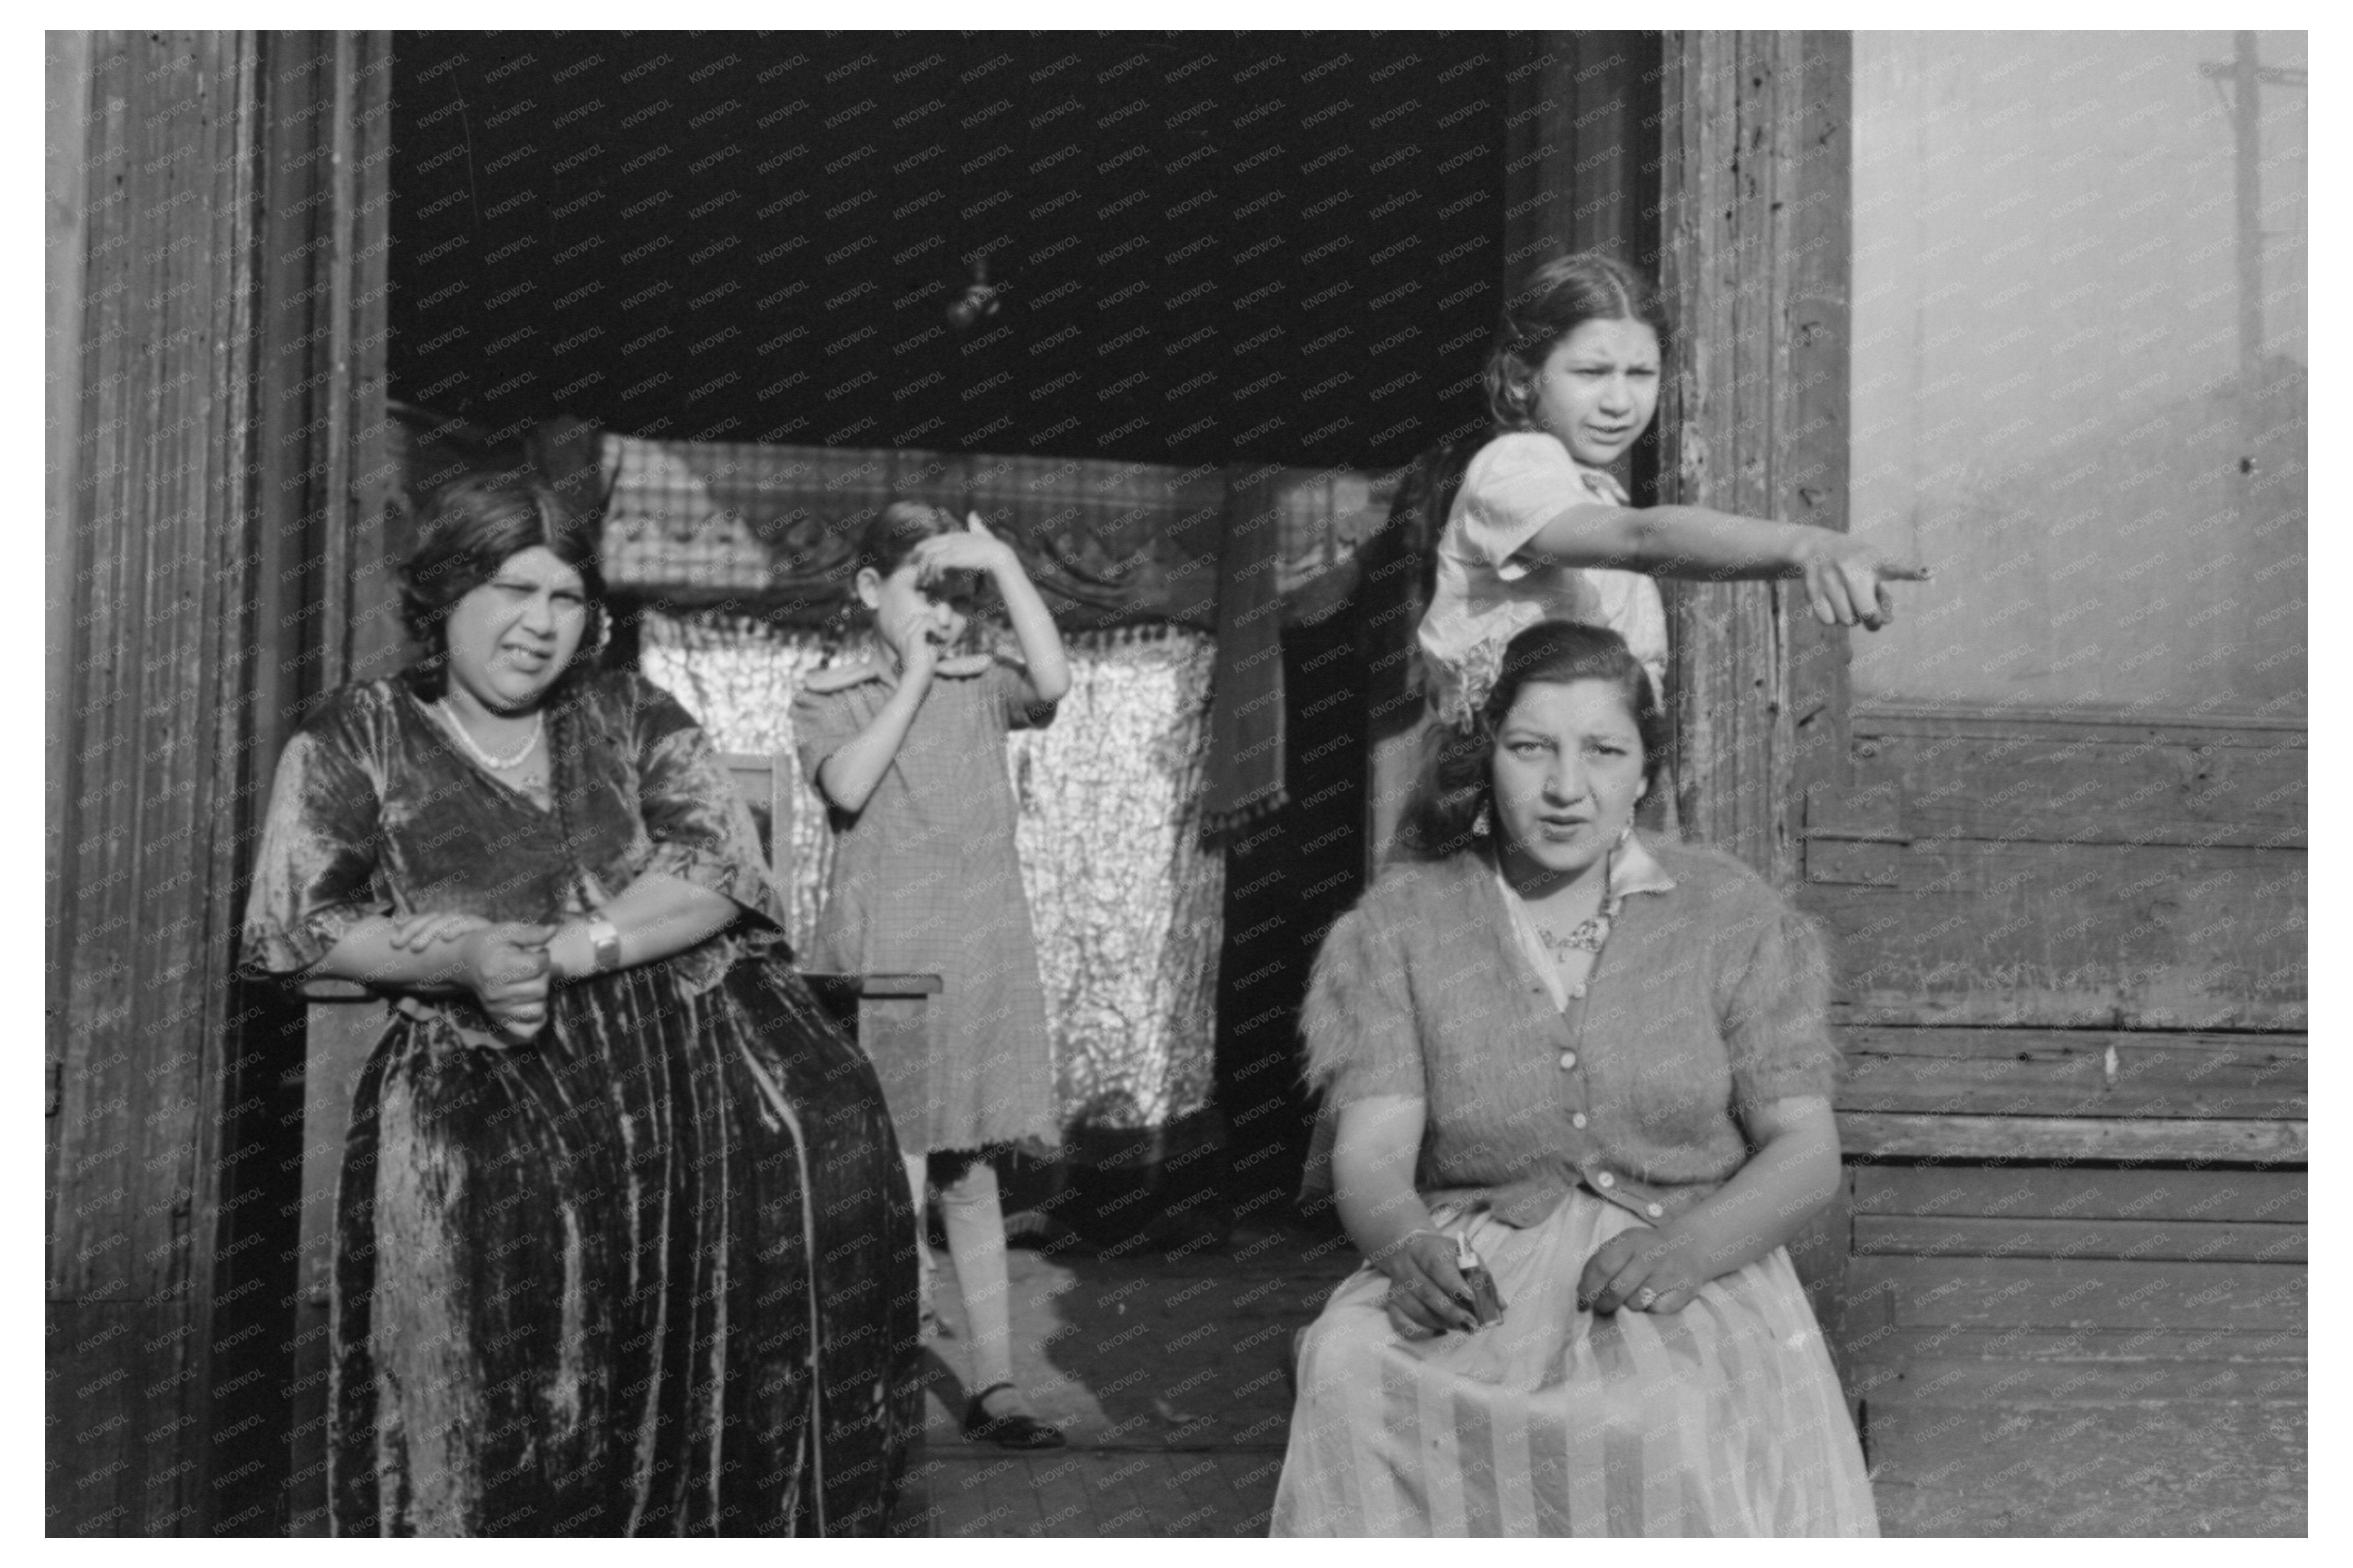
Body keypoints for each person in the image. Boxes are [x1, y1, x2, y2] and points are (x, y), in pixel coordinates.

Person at [240, 476, 918, 1536]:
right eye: (514, 590)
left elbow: (719, 870)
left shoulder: (630, 712)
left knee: (823, 1146)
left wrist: (561, 950)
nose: (541, 624)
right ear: (446, 593)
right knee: (498, 1252)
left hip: (695, 1049)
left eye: (565, 598)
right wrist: (461, 955)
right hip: (493, 1065)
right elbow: (299, 922)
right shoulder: (356, 734)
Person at [1271, 620, 1878, 1536]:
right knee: (1349, 1361)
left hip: (1685, 1259)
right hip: (1480, 1268)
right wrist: (1406, 1245)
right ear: (1486, 756)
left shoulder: (1729, 915)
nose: (1565, 787)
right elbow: (1372, 1156)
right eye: (1531, 749)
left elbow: (1804, 1149)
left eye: (1602, 751)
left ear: (1643, 771)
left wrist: (1691, 1248)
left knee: (1655, 1411)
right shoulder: (1402, 924)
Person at [791, 502, 1072, 1450]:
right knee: (899, 1165)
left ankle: (996, 1382)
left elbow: (1055, 678)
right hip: (892, 968)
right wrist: (912, 675)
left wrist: (1006, 561)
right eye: (926, 593)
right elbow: (847, 785)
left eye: (960, 599)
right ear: (870, 589)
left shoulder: (983, 683)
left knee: (970, 1169)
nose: (945, 617)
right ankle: (883, 1378)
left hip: (976, 956)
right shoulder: (833, 693)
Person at [1415, 251, 1928, 729]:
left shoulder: (1593, 492)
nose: (1619, 402)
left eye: (1640, 374)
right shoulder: (1514, 465)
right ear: (1520, 378)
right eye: (1592, 372)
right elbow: (1641, 539)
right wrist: (1807, 544)